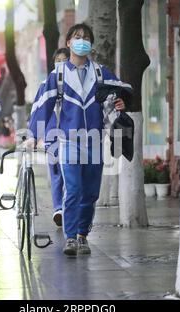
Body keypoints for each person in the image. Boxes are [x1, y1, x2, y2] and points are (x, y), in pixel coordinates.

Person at [28, 24, 126, 257]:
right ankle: (71, 237)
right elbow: (43, 105)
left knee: (91, 192)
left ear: (91, 45)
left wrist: (122, 103)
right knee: (73, 189)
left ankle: (82, 235)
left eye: (86, 38)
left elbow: (120, 93)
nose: (82, 41)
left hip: (94, 140)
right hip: (69, 141)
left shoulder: (101, 73)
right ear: (69, 42)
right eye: (77, 37)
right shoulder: (59, 75)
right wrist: (33, 134)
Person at [34, 48, 70, 228]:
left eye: (65, 59)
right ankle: (59, 209)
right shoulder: (45, 84)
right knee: (56, 172)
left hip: (71, 135)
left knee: (69, 172)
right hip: (52, 134)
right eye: (58, 60)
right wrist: (36, 134)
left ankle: (67, 207)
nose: (61, 63)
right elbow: (38, 110)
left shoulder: (74, 85)